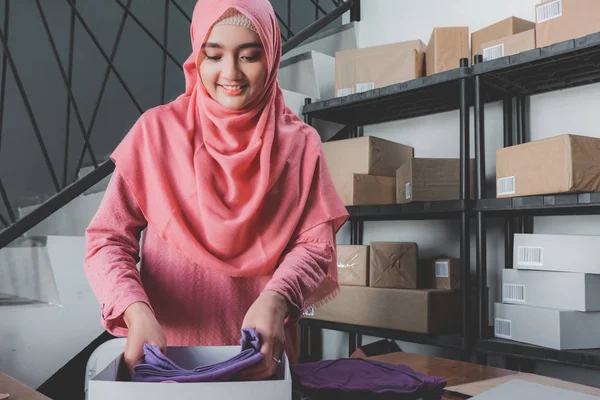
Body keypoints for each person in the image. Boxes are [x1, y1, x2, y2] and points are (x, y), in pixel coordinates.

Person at [84, 0, 348, 381]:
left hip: (262, 364)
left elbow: (315, 246)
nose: (231, 73)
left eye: (249, 56)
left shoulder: (300, 144)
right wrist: (134, 309)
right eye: (214, 55)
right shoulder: (156, 134)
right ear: (197, 59)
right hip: (169, 366)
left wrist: (276, 298)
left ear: (271, 57)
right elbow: (106, 240)